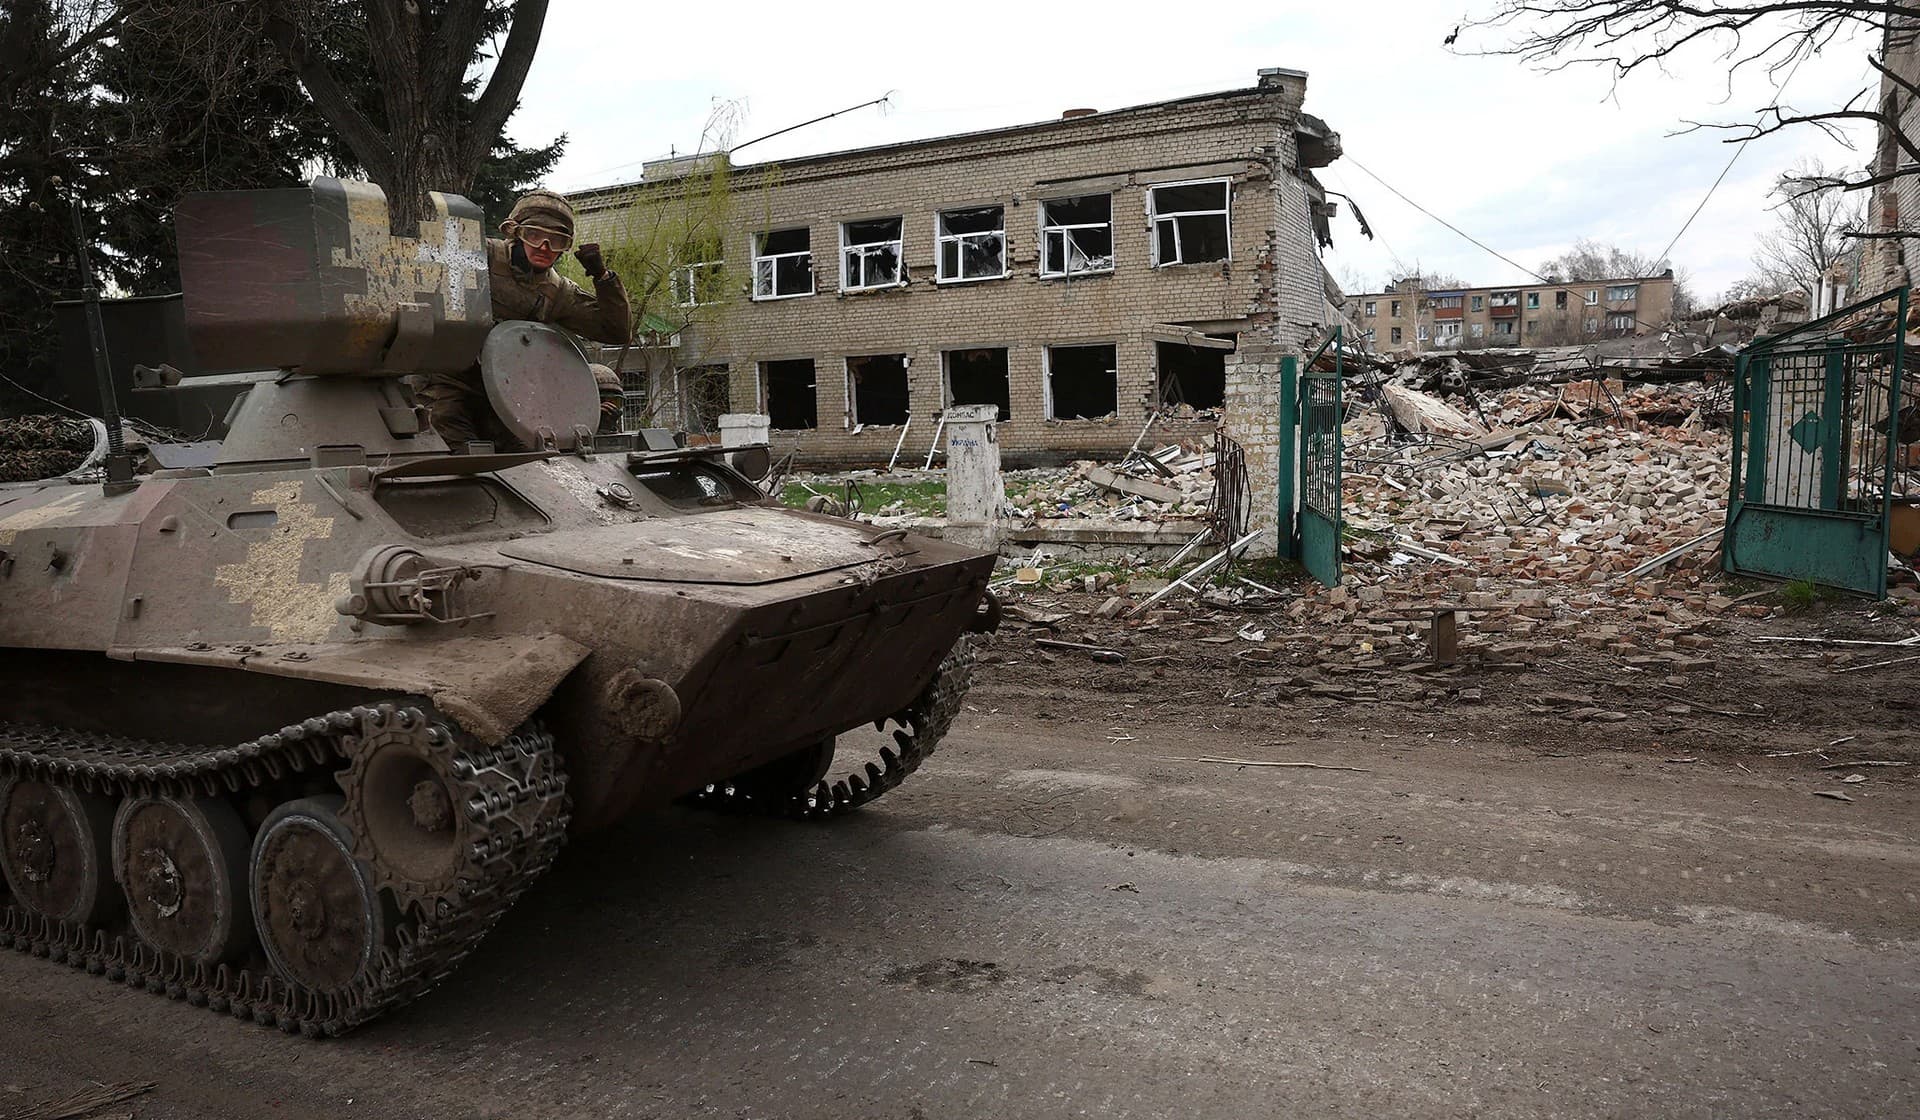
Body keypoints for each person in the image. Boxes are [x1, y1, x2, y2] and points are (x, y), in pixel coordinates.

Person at [417, 189, 632, 450]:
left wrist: (603, 278)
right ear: (515, 232)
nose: (545, 247)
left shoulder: (557, 291)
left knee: (528, 467)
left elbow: (616, 331)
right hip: (449, 385)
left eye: (557, 241)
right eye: (535, 235)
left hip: (510, 399)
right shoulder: (478, 256)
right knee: (458, 455)